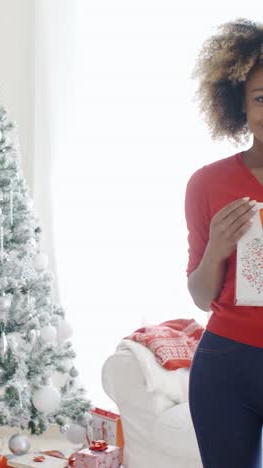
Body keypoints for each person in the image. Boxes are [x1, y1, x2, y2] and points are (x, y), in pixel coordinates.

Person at [186, 18, 263, 468]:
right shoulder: (208, 183)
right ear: (238, 104)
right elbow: (200, 297)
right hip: (225, 367)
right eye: (260, 98)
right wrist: (216, 246)